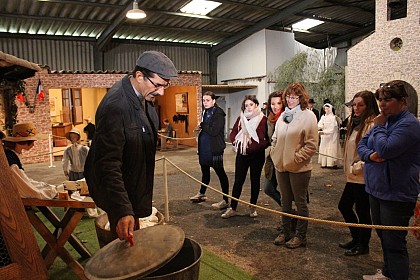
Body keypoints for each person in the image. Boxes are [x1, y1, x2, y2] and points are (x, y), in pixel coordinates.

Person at [84, 51, 178, 244]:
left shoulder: (143, 98)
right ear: (139, 76)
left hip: (133, 190)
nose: (161, 92)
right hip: (119, 194)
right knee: (122, 250)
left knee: (131, 245)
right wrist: (122, 209)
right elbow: (107, 164)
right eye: (158, 85)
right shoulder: (116, 106)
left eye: (165, 86)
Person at [358, 80, 420, 280]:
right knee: (384, 237)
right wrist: (371, 156)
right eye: (380, 100)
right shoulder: (385, 121)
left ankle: (397, 275)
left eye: (387, 100)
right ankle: (387, 273)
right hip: (376, 188)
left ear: (403, 101)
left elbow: (386, 149)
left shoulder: (409, 124)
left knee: (395, 243)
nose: (382, 104)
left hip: (396, 192)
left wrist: (379, 128)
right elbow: (362, 145)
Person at [270, 82, 318, 249]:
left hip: (299, 168)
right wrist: (274, 153)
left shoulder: (308, 116)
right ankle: (285, 231)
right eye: (289, 97)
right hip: (281, 166)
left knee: (300, 202)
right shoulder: (283, 116)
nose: (291, 100)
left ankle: (300, 235)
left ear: (301, 98)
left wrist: (296, 158)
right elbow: (275, 138)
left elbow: (311, 145)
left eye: (294, 97)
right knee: (285, 201)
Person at [337, 90, 379, 257]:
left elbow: (374, 152)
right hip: (352, 175)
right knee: (345, 206)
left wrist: (357, 167)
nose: (356, 108)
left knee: (362, 210)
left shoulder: (372, 125)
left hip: (362, 176)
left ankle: (363, 244)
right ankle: (357, 238)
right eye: (354, 104)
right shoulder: (354, 123)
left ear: (368, 106)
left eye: (360, 105)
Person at [221, 95, 269, 218]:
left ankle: (253, 207)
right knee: (238, 181)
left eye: (251, 104)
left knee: (255, 181)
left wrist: (254, 147)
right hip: (242, 154)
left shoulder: (263, 120)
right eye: (246, 105)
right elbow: (233, 133)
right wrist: (236, 143)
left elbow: (267, 139)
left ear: (256, 105)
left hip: (257, 155)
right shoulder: (241, 118)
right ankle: (233, 207)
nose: (248, 107)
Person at [189, 91, 230, 210]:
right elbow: (206, 129)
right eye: (203, 100)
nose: (205, 103)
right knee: (205, 172)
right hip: (204, 149)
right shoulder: (205, 112)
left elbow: (214, 131)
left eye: (207, 100)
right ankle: (201, 193)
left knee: (220, 173)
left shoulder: (219, 113)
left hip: (215, 149)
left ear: (213, 101)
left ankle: (225, 200)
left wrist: (202, 125)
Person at [3, 122, 57, 199]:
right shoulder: (11, 160)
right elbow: (28, 190)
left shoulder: (14, 154)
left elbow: (26, 181)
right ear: (25, 142)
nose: (33, 145)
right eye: (32, 141)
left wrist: (48, 187)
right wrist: (52, 192)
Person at [263, 91, 284, 209]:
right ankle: (289, 211)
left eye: (278, 103)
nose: (275, 107)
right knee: (268, 188)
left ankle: (289, 216)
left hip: (284, 160)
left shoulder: (286, 118)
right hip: (272, 159)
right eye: (272, 103)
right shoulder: (270, 119)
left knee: (288, 191)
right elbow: (268, 139)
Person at [318, 103, 341, 168]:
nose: (326, 110)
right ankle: (324, 163)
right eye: (325, 109)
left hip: (331, 136)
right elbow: (320, 124)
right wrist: (319, 128)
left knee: (331, 148)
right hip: (325, 136)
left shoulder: (333, 118)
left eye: (328, 109)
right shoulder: (323, 117)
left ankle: (332, 163)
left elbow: (333, 128)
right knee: (324, 148)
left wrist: (325, 132)